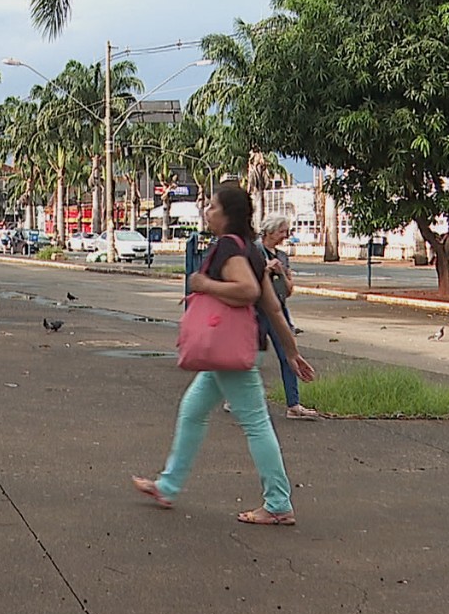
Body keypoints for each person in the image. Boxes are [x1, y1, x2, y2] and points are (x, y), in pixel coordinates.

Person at [132, 184, 315, 525]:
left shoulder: (229, 247)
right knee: (192, 409)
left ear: (228, 214)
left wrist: (203, 285)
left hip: (230, 348)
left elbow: (246, 291)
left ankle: (278, 503)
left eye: (213, 206)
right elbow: (272, 306)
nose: (208, 211)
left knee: (256, 424)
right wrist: (291, 352)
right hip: (240, 346)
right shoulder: (251, 249)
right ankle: (168, 486)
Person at [258, 214, 318, 420]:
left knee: (288, 355)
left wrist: (281, 273)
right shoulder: (255, 251)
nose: (285, 235)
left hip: (279, 309)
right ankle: (236, 397)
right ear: (270, 231)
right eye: (282, 231)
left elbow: (289, 289)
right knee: (250, 356)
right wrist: (265, 270)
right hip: (256, 310)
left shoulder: (283, 256)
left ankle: (294, 404)